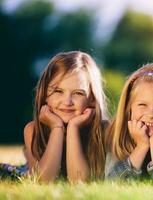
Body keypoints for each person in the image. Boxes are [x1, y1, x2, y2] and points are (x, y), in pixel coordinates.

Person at [23, 51, 108, 182]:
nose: (67, 101)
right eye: (58, 91)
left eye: (78, 93)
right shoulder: (33, 130)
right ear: (45, 94)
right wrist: (57, 128)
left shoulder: (104, 130)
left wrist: (73, 128)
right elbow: (43, 180)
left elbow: (79, 181)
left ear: (91, 99)